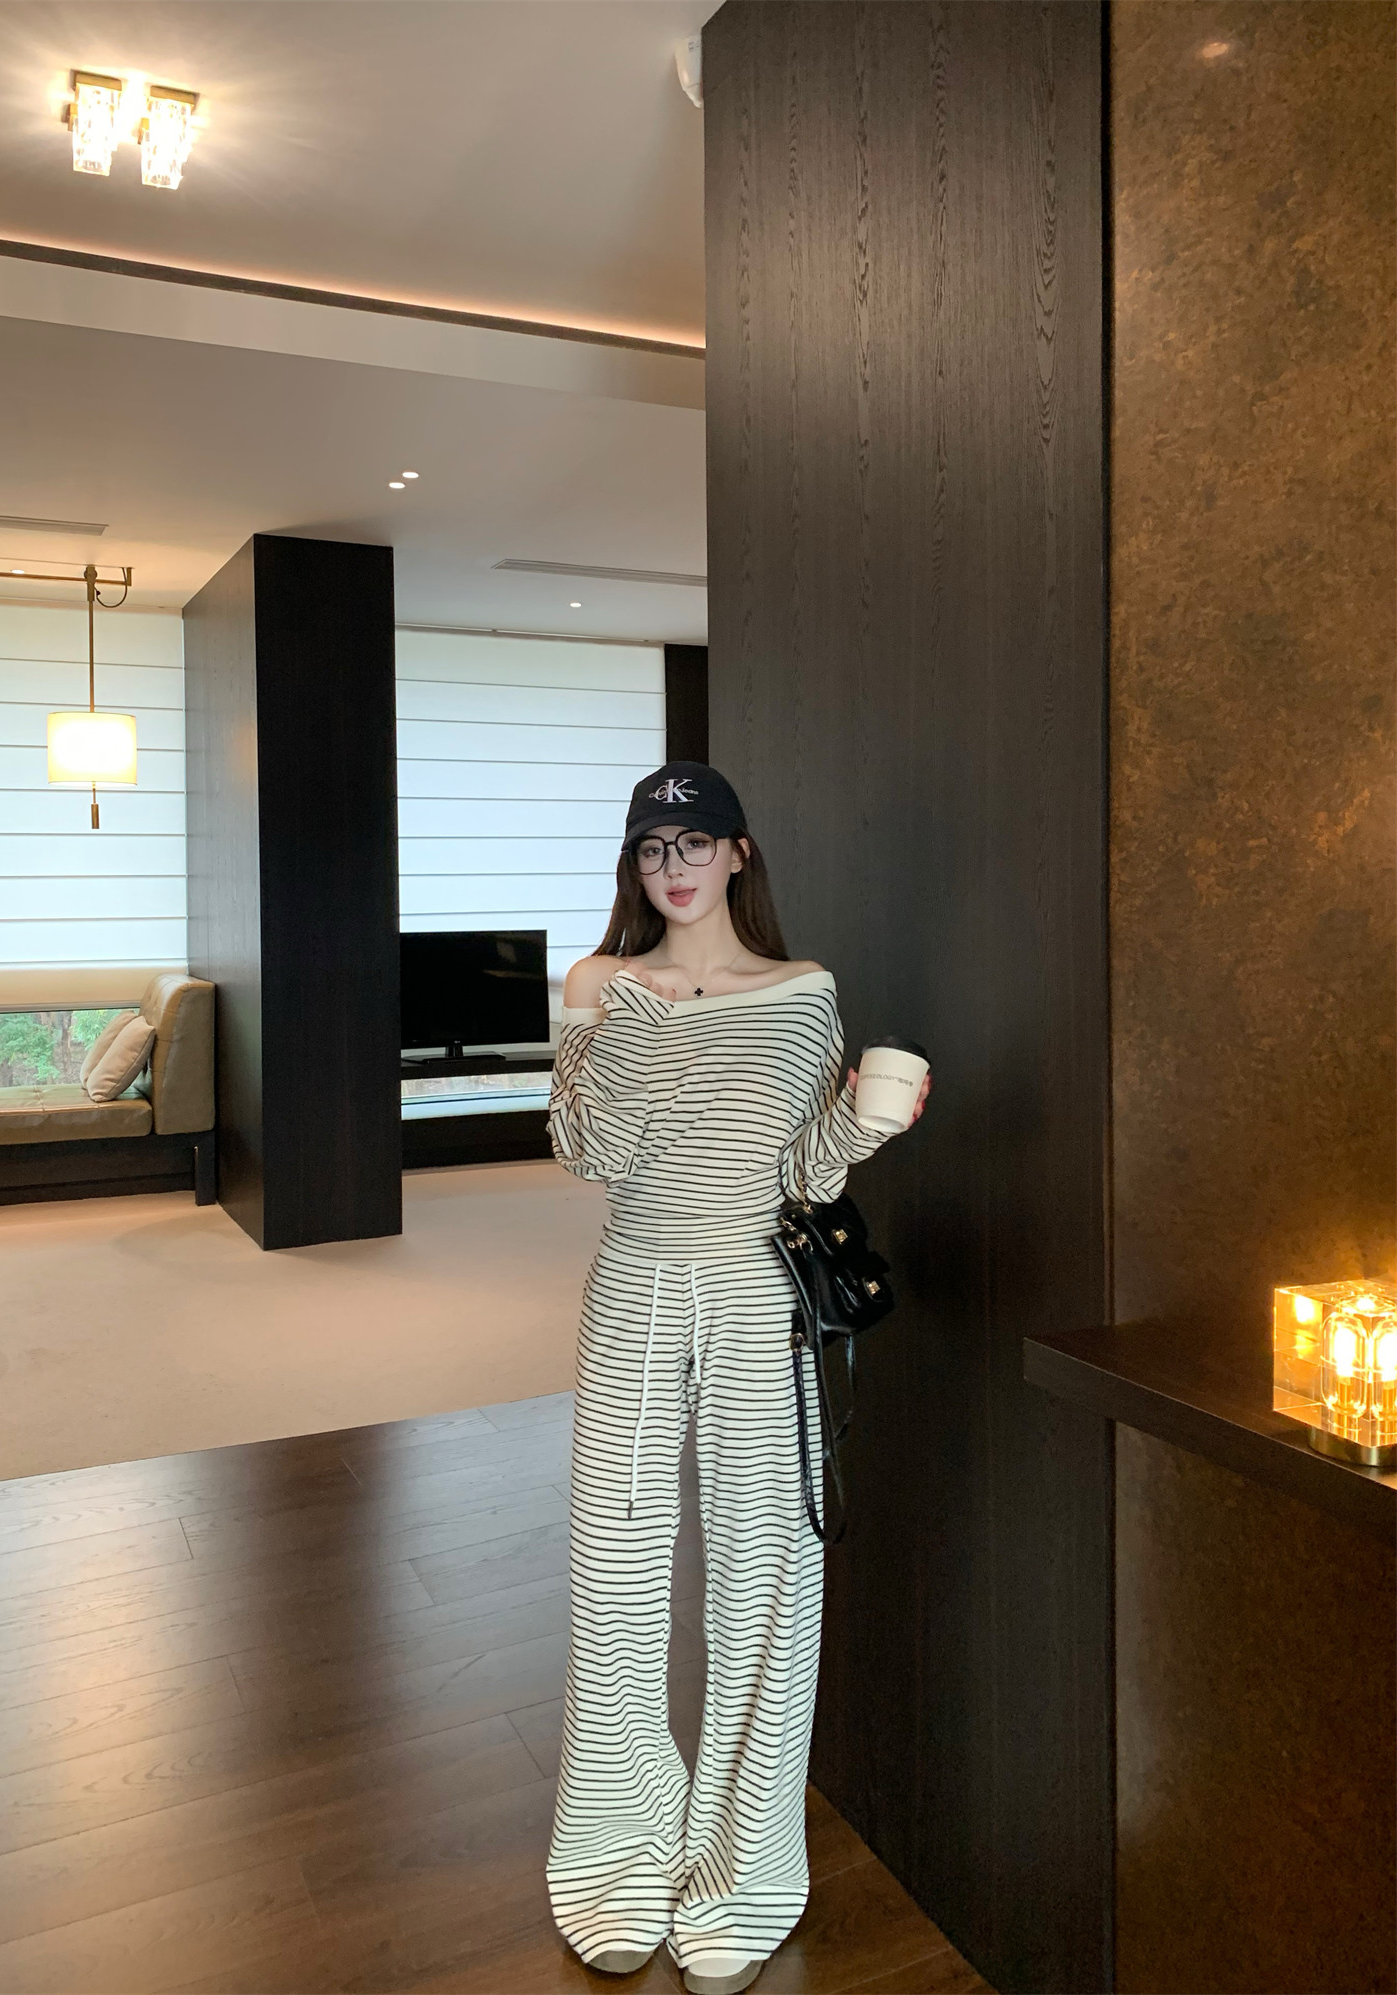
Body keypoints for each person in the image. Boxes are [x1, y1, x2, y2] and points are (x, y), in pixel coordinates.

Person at [544, 761, 929, 1995]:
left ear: (738, 854)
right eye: (652, 849)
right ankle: (615, 1851)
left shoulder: (804, 991)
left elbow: (806, 1170)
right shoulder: (602, 984)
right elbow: (588, 1152)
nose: (674, 868)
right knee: (614, 1568)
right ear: (635, 865)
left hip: (760, 1291)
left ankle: (741, 1870)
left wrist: (868, 1121)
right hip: (636, 1284)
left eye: (695, 843)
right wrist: (617, 1023)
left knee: (767, 1571)